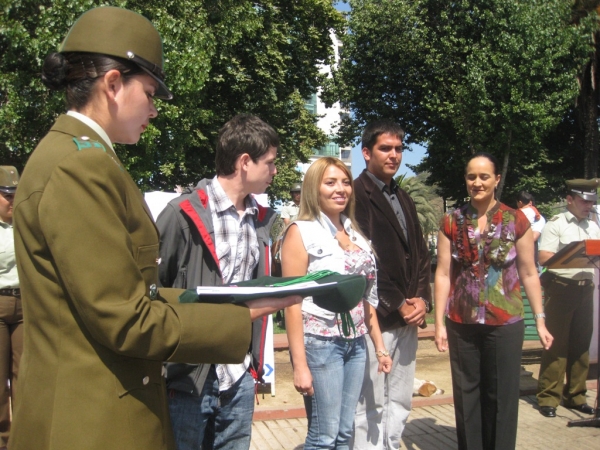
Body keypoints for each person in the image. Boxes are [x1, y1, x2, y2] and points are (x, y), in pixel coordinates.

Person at [10, 7, 298, 450]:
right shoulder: (81, 166)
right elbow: (126, 318)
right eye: (149, 92)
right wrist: (244, 315)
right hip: (93, 422)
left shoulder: (78, 157)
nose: (155, 110)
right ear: (112, 85)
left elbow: (130, 294)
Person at [157, 114, 283, 450]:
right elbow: (155, 291)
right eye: (270, 163)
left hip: (238, 373)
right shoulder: (180, 214)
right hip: (188, 378)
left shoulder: (263, 221)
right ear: (245, 162)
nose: (275, 172)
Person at [434, 153, 553, 449]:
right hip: (461, 322)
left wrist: (540, 320)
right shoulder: (451, 221)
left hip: (505, 322)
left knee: (500, 397)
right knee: (467, 395)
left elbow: (528, 272)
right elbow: (443, 274)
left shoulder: (517, 220)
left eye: (484, 176)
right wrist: (438, 323)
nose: (477, 182)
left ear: (497, 179)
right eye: (471, 176)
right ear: (466, 180)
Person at [281, 157, 392, 449]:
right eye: (330, 183)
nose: (340, 189)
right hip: (320, 344)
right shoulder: (299, 232)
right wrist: (300, 365)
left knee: (344, 433)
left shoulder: (354, 233)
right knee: (323, 436)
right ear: (313, 189)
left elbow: (367, 296)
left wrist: (379, 347)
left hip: (355, 343)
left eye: (344, 182)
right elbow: (291, 302)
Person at [352, 120, 432, 449]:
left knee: (400, 397)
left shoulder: (403, 196)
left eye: (399, 149)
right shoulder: (356, 194)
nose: (394, 155)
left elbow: (422, 255)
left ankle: (390, 444)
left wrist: (422, 300)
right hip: (377, 315)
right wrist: (398, 302)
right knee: (370, 398)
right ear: (367, 152)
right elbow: (364, 258)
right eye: (386, 148)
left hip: (409, 317)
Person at [537, 179, 600, 418]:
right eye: (585, 201)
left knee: (581, 344)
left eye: (592, 201)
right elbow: (543, 257)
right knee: (557, 345)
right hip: (562, 287)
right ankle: (548, 398)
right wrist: (572, 255)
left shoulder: (593, 225)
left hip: (586, 288)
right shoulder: (556, 224)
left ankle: (576, 396)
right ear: (570, 200)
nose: (589, 205)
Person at [0, 166, 21, 450]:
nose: (13, 201)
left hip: (27, 304)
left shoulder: (27, 225)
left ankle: (23, 440)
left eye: (17, 194)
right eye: (7, 195)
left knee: (25, 378)